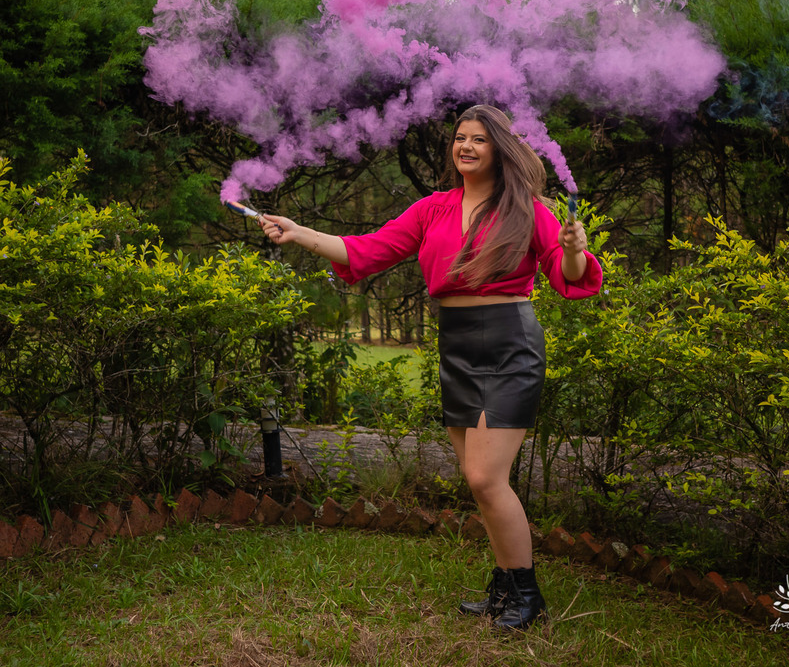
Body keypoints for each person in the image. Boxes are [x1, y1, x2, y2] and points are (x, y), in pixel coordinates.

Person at [257, 104, 603, 630]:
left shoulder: (529, 211)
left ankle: (528, 597)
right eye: (459, 138)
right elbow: (366, 250)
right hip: (456, 343)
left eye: (478, 140)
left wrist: (576, 248)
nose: (465, 147)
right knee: (477, 478)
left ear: (499, 149)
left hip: (510, 342)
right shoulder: (433, 209)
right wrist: (299, 231)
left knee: (486, 476)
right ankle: (505, 585)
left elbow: (568, 275)